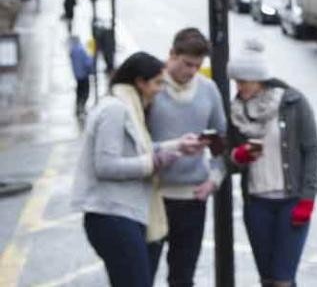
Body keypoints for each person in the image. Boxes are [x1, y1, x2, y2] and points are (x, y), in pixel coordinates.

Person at [71, 52, 206, 286]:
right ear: (140, 82)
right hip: (113, 215)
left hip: (123, 214)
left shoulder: (130, 107)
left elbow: (135, 149)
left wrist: (178, 146)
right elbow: (105, 165)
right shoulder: (115, 110)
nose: (161, 89)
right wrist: (152, 163)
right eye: (157, 83)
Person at [227, 38, 317, 287]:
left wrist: (307, 199)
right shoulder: (237, 110)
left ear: (259, 78)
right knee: (267, 279)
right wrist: (240, 156)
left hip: (291, 204)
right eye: (236, 82)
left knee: (282, 279)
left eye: (243, 81)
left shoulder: (293, 102)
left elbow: (312, 150)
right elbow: (228, 157)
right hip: (256, 204)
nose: (239, 87)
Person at [145, 28, 227, 286]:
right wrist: (174, 148)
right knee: (142, 274)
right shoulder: (151, 88)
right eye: (187, 64)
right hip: (153, 196)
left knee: (183, 277)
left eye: (197, 65)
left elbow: (221, 141)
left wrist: (214, 179)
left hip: (193, 198)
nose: (191, 71)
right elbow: (136, 144)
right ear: (171, 54)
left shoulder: (208, 90)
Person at [69, 35, 95, 117]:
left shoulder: (72, 50)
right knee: (85, 92)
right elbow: (88, 63)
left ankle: (79, 106)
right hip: (84, 75)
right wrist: (91, 55)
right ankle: (82, 107)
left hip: (77, 75)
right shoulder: (82, 50)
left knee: (79, 92)